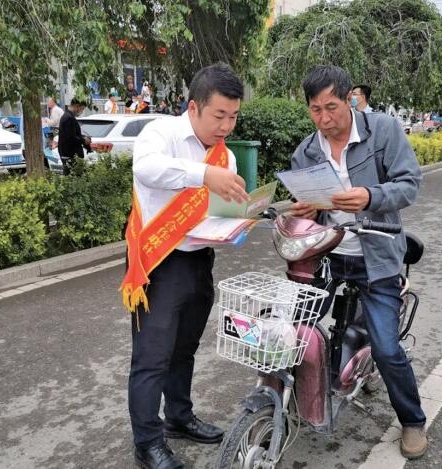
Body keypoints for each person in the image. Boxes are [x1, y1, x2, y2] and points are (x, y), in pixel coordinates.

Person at [289, 65, 427, 459]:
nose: (324, 118)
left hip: (376, 256)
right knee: (294, 330)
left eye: (331, 107)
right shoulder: (307, 151)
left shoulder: (383, 131)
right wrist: (305, 208)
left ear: (349, 98)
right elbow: (307, 204)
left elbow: (409, 184)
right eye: (315, 110)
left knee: (386, 347)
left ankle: (412, 421)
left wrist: (370, 196)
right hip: (328, 254)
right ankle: (294, 401)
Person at [122, 63, 249, 469]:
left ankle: (178, 416)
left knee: (185, 347)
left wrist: (238, 222)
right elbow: (146, 169)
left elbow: (218, 210)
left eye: (233, 116)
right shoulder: (161, 133)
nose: (226, 126)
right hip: (159, 262)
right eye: (219, 115)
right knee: (152, 356)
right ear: (194, 107)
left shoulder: (225, 155)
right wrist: (204, 174)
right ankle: (147, 443)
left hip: (199, 258)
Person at [58, 98, 91, 175]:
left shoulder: (68, 116)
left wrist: (82, 137)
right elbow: (71, 138)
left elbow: (72, 134)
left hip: (68, 153)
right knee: (73, 177)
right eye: (82, 109)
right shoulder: (69, 118)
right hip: (70, 154)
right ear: (77, 106)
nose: (81, 111)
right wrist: (84, 140)